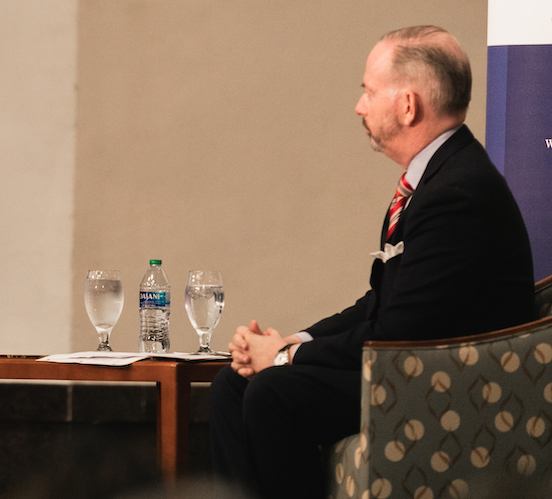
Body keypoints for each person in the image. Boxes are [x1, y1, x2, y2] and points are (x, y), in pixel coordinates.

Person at [209, 26, 535, 498]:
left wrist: (282, 358)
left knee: (272, 393)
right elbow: (379, 304)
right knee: (231, 386)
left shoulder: (456, 193)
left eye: (368, 91)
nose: (359, 107)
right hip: (410, 365)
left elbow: (396, 331)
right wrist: (295, 341)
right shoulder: (436, 179)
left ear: (407, 106)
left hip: (448, 385)